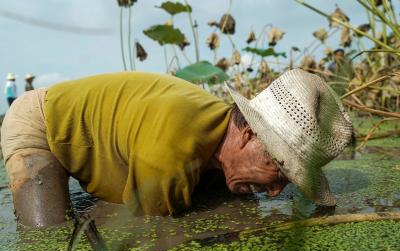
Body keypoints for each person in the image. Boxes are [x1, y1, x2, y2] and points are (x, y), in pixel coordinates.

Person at [0, 69, 353, 228]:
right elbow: (149, 232)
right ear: (248, 134)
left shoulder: (218, 137)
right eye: (281, 170)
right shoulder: (173, 147)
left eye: (289, 181)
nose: (276, 193)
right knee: (45, 235)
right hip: (40, 122)